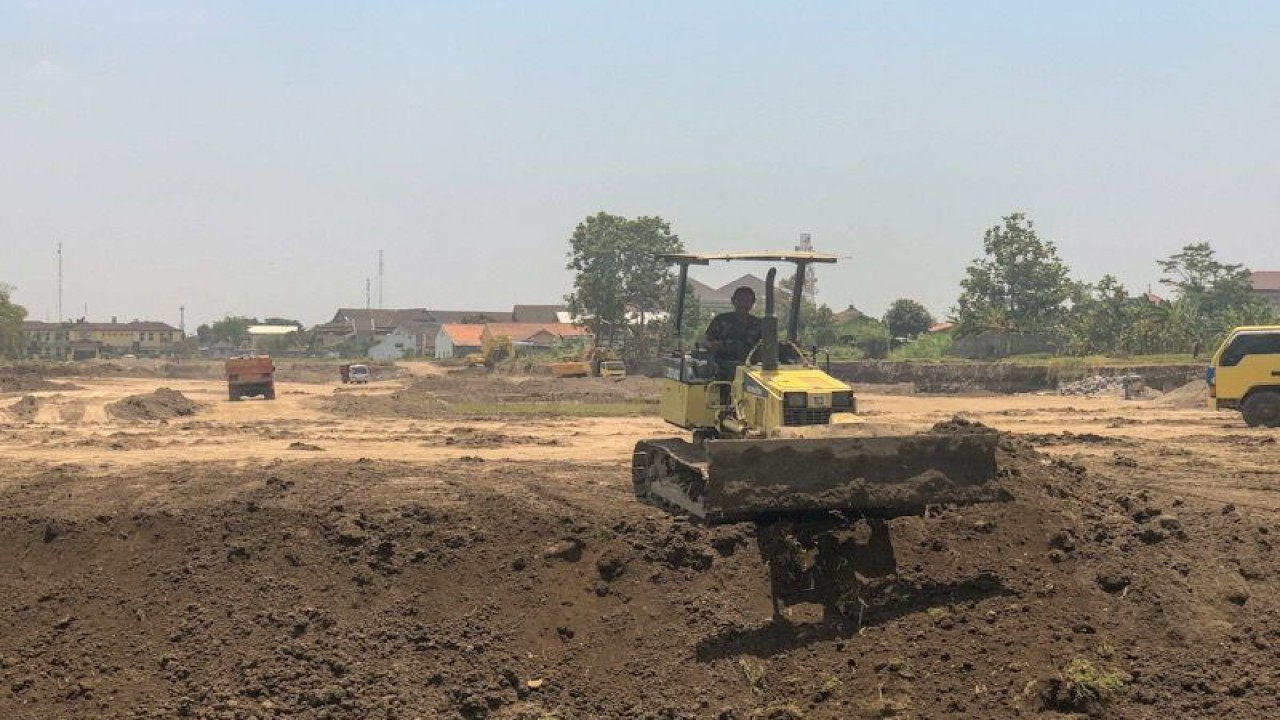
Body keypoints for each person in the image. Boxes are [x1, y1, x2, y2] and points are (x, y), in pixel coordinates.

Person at [705, 286, 763, 370]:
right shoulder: (721, 320)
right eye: (740, 300)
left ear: (753, 302)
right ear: (733, 301)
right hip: (722, 365)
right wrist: (713, 346)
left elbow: (766, 347)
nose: (743, 304)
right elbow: (706, 341)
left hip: (750, 367)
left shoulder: (758, 324)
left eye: (747, 301)